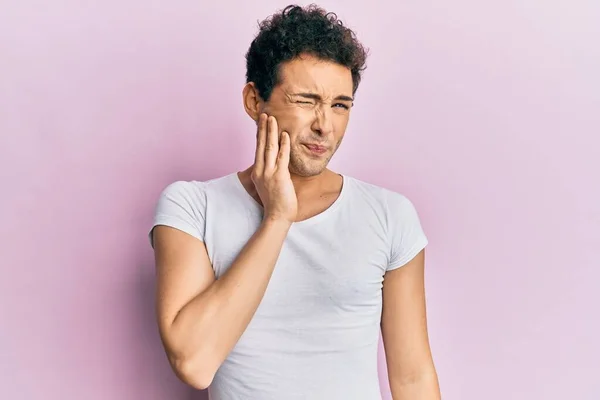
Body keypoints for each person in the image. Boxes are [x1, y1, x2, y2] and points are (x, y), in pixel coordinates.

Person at [149, 4, 441, 399]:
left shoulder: (390, 215)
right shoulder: (192, 207)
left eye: (340, 105)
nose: (325, 125)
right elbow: (194, 363)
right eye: (306, 100)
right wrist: (276, 219)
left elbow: (412, 378)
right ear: (255, 101)